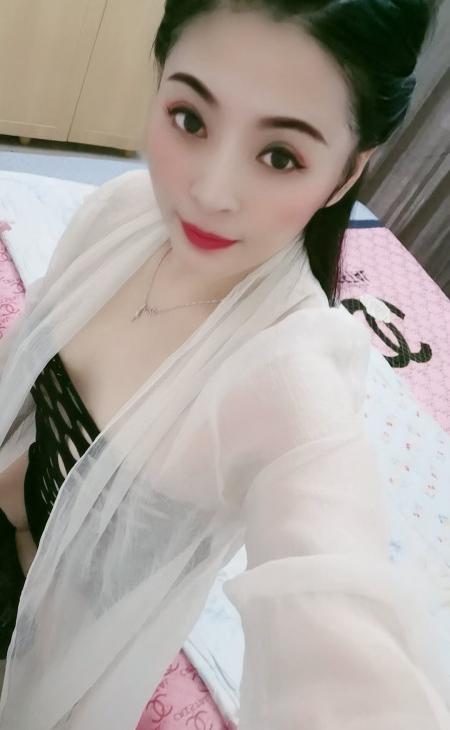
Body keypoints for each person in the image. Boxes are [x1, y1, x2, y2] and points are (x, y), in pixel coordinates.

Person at [0, 1, 448, 728]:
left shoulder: (292, 376)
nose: (209, 193)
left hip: (59, 651)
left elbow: (338, 629)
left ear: (346, 174)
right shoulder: (120, 213)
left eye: (280, 156)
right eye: (189, 118)